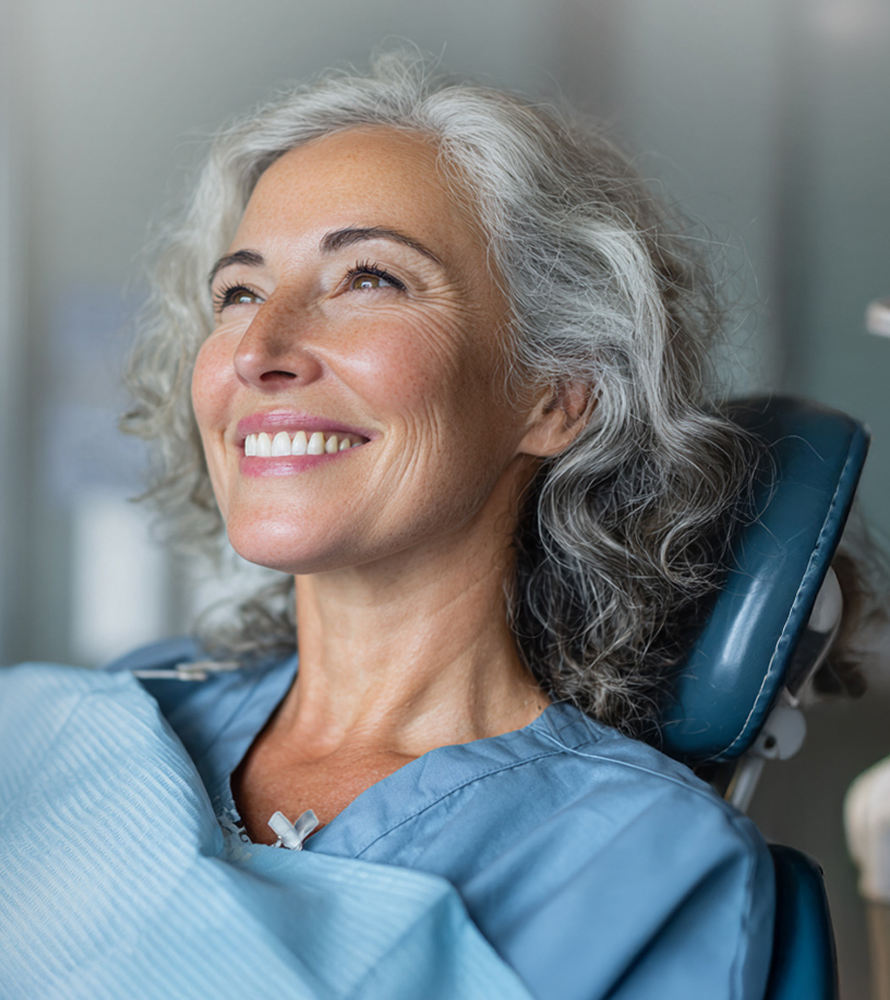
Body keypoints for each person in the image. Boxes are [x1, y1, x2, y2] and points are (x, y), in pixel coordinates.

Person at [115, 50, 776, 998]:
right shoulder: (122, 712)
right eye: (240, 293)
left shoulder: (643, 861)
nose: (260, 349)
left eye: (369, 279)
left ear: (556, 396)